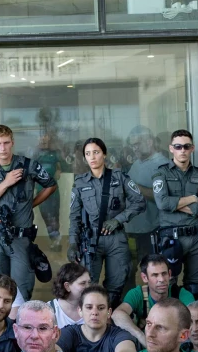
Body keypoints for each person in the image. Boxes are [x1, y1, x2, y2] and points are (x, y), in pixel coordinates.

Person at [0, 125, 58, 300]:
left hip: (21, 238)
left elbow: (51, 185)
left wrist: (31, 204)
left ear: (12, 142)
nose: (3, 148)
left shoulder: (29, 165)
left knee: (21, 291)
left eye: (6, 143)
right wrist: (5, 183)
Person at [68, 138, 146, 302]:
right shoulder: (80, 183)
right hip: (90, 239)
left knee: (116, 285)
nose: (92, 157)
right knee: (88, 286)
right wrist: (73, 243)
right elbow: (74, 217)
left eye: (96, 152)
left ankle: (112, 320)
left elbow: (139, 201)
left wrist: (118, 220)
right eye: (88, 154)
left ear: (104, 154)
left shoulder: (119, 177)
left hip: (116, 239)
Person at [152, 130, 198, 297]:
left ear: (192, 148)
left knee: (196, 285)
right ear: (171, 148)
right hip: (171, 238)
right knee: (168, 283)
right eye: (178, 146)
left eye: (186, 146)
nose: (182, 150)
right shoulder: (162, 173)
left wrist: (176, 204)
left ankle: (193, 321)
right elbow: (162, 203)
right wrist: (193, 198)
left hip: (195, 238)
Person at [56, 288, 138, 352]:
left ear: (109, 312)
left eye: (101, 308)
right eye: (89, 307)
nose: (94, 312)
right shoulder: (70, 333)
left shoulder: (119, 334)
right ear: (80, 311)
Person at [113, 255, 195, 346]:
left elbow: (194, 321)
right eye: (155, 275)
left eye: (164, 274)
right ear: (144, 278)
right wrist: (140, 336)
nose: (161, 279)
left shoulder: (182, 295)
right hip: (146, 346)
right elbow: (117, 315)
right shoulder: (137, 294)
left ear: (170, 274)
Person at [123, 126, 166, 262]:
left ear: (149, 142)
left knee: (151, 272)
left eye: (137, 144)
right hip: (131, 229)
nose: (134, 148)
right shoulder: (137, 163)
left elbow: (164, 198)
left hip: (150, 231)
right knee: (127, 273)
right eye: (132, 145)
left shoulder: (163, 165)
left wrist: (135, 187)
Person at [35, 133, 65, 247]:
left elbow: (60, 168)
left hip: (53, 190)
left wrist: (58, 170)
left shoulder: (54, 154)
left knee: (54, 215)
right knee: (45, 216)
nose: (43, 142)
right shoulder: (35, 154)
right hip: (40, 190)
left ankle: (56, 240)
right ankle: (52, 238)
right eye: (41, 140)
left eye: (46, 140)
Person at [49, 262, 91, 328]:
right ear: (67, 286)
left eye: (89, 282)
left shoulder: (94, 309)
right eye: (83, 283)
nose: (88, 287)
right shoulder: (48, 311)